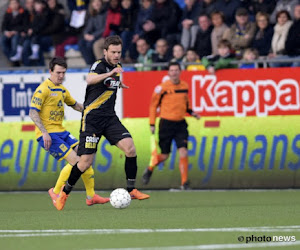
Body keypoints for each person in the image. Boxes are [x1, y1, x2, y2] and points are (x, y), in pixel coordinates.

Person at [55, 35, 150, 211]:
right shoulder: (99, 65)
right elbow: (90, 80)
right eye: (113, 52)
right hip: (92, 119)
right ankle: (64, 193)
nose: (116, 55)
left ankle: (132, 190)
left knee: (130, 148)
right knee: (85, 162)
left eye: (119, 52)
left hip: (109, 118)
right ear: (105, 51)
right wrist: (110, 74)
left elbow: (110, 83)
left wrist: (119, 84)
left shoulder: (118, 67)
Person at [29, 57, 109, 209]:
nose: (61, 76)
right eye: (58, 72)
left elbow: (76, 105)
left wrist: (92, 110)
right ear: (50, 71)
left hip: (61, 132)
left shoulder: (62, 89)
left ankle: (91, 196)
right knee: (77, 163)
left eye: (63, 73)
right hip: (48, 135)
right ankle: (56, 191)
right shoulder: (43, 89)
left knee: (86, 158)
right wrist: (44, 132)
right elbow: (33, 112)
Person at [142, 61, 200, 190]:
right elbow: (153, 106)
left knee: (183, 151)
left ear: (180, 72)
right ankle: (150, 168)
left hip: (180, 124)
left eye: (176, 70)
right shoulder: (161, 88)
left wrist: (192, 113)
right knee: (164, 155)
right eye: (172, 70)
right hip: (166, 124)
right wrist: (152, 123)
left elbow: (186, 104)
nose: (174, 72)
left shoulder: (185, 86)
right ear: (168, 73)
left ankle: (184, 183)